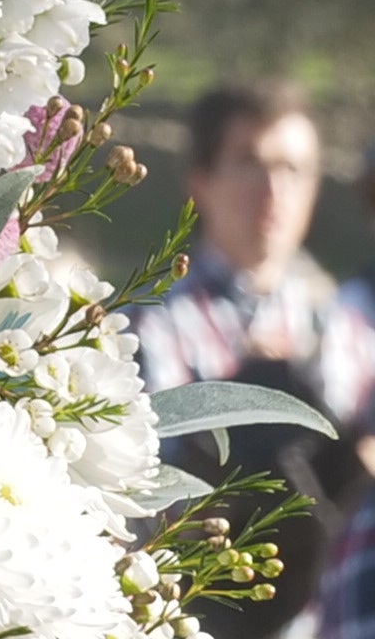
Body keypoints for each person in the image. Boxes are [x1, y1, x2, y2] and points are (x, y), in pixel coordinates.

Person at [142, 79, 375, 635]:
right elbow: (137, 503)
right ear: (200, 180)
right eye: (250, 163)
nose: (274, 189)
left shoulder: (349, 328)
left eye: (293, 169)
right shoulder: (151, 329)